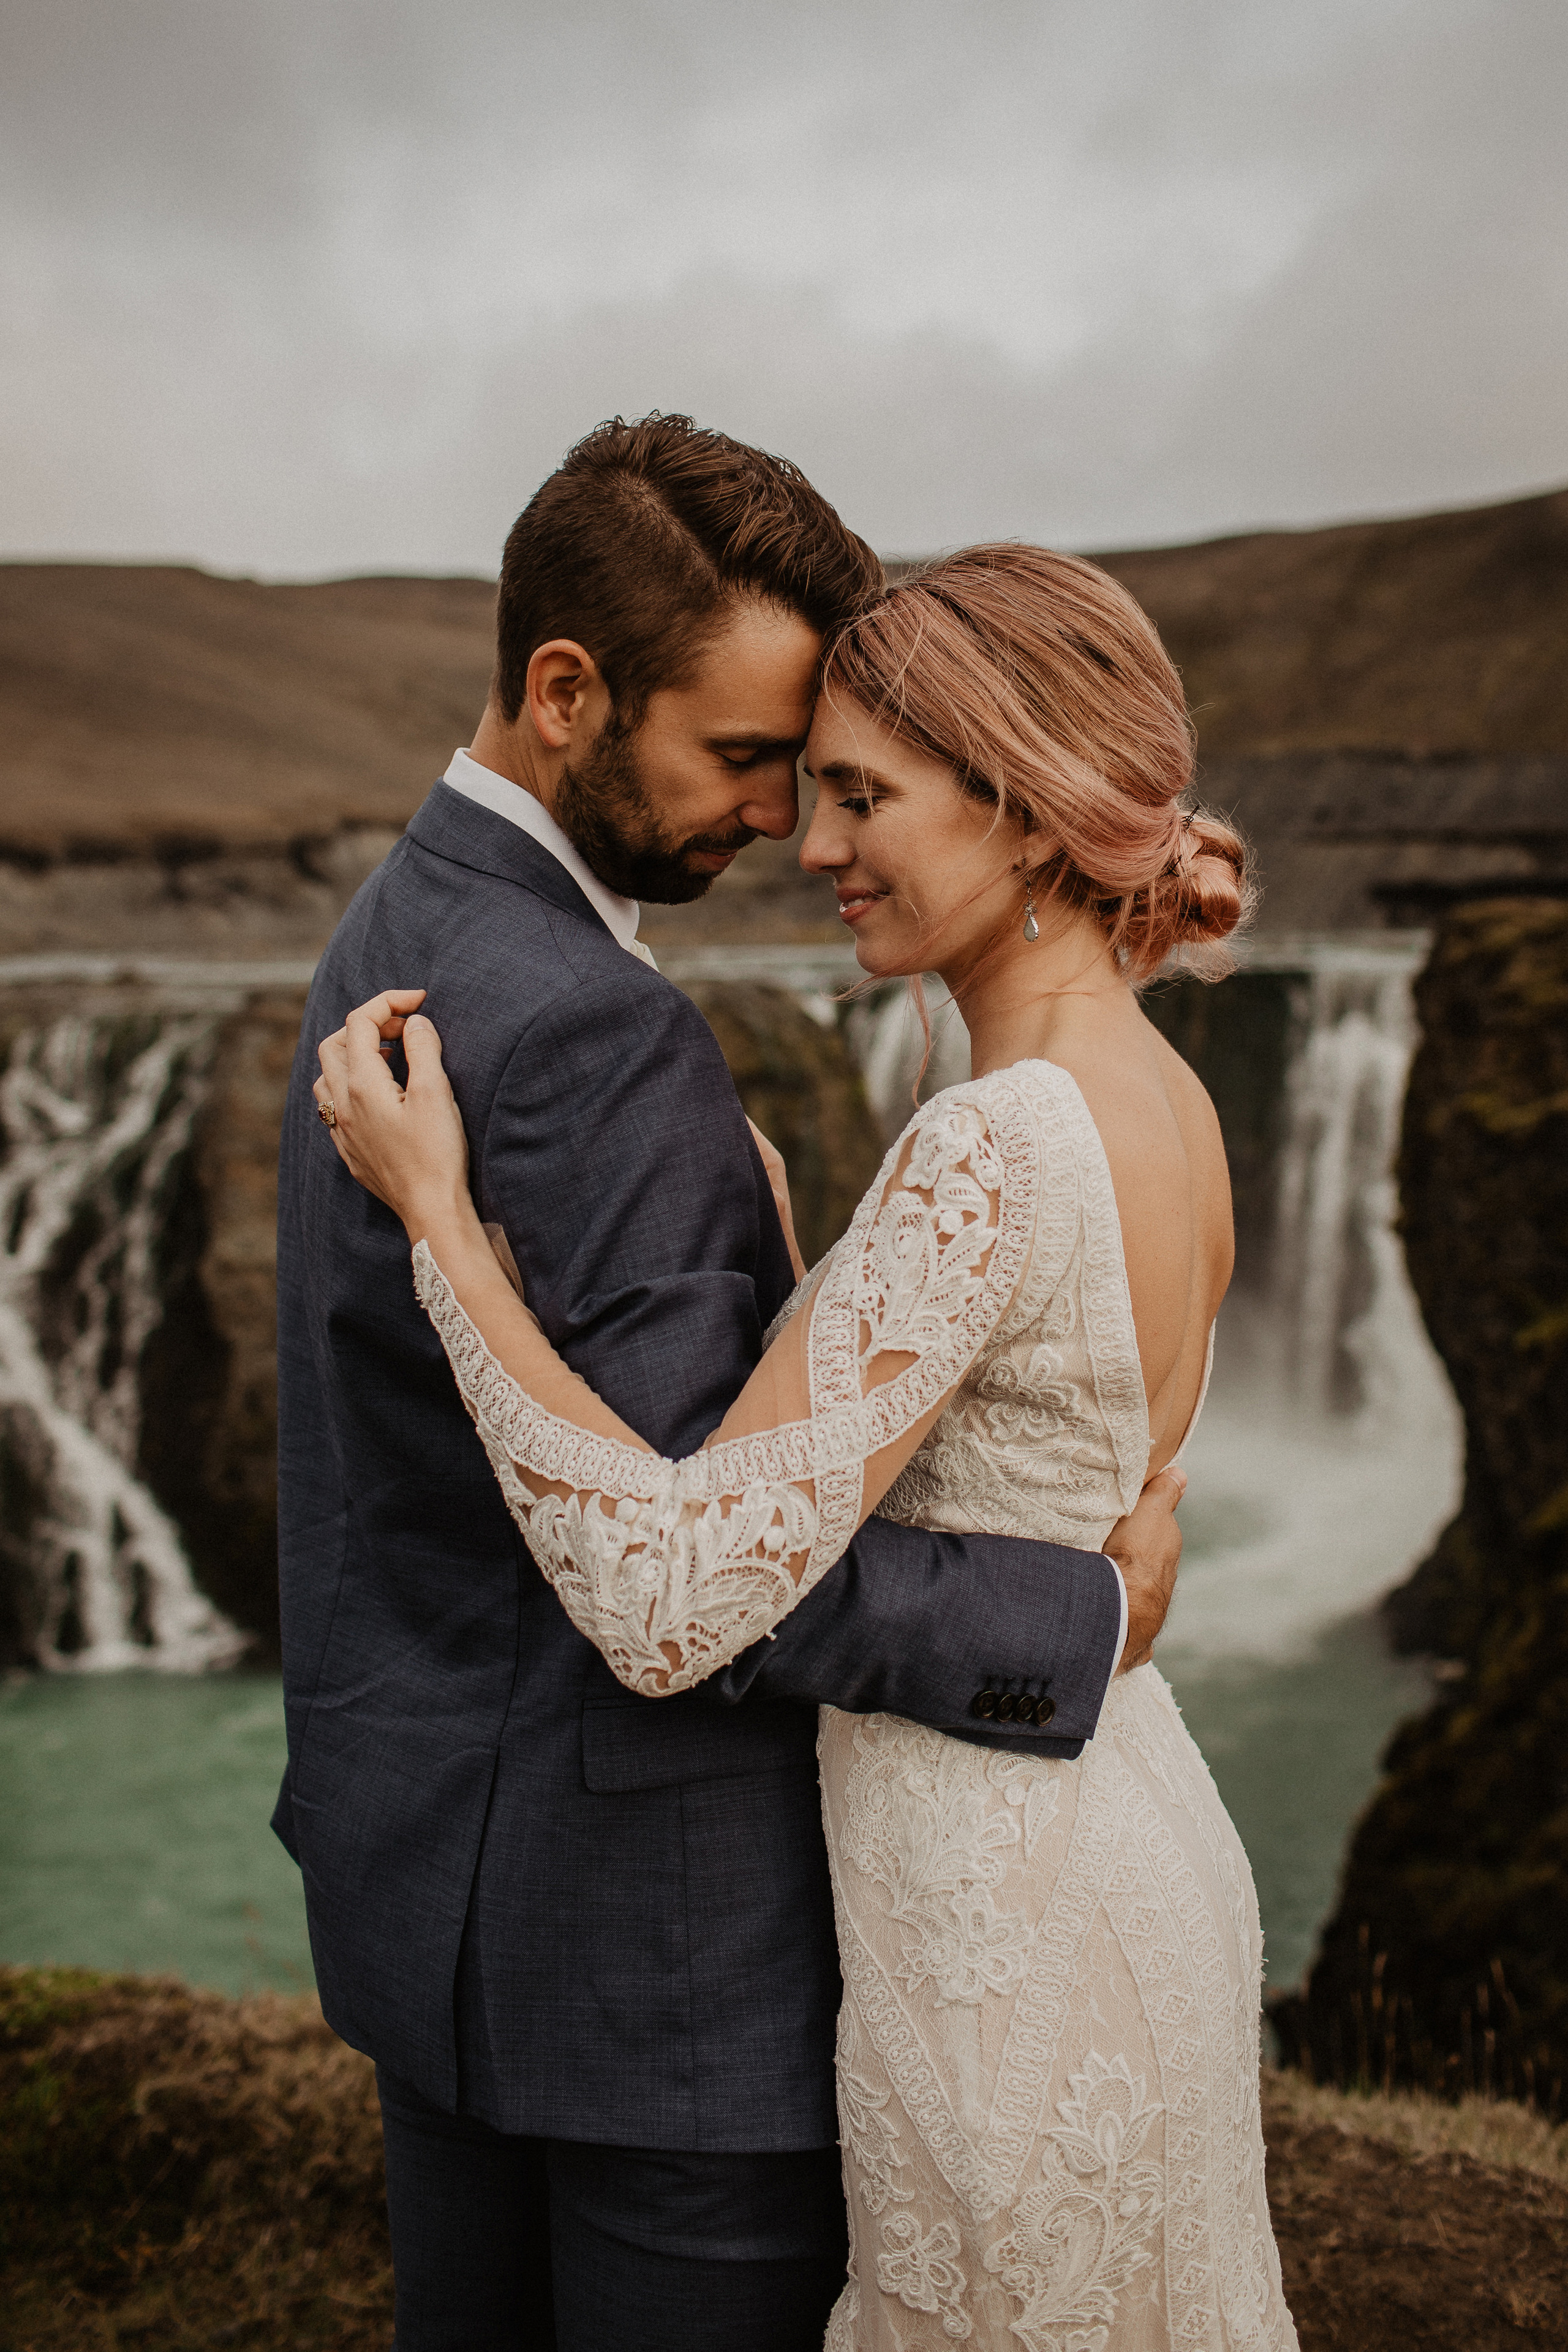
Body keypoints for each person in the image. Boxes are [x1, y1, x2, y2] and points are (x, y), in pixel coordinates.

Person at [315, 540, 1300, 2350]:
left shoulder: (987, 1144)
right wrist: (803, 1279)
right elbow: (991, 1418)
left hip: (991, 1916)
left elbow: (680, 1599)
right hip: (1131, 1845)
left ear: (1021, 808)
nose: (812, 841)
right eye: (801, 784)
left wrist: (447, 1232)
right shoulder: (1163, 1092)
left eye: (860, 794)